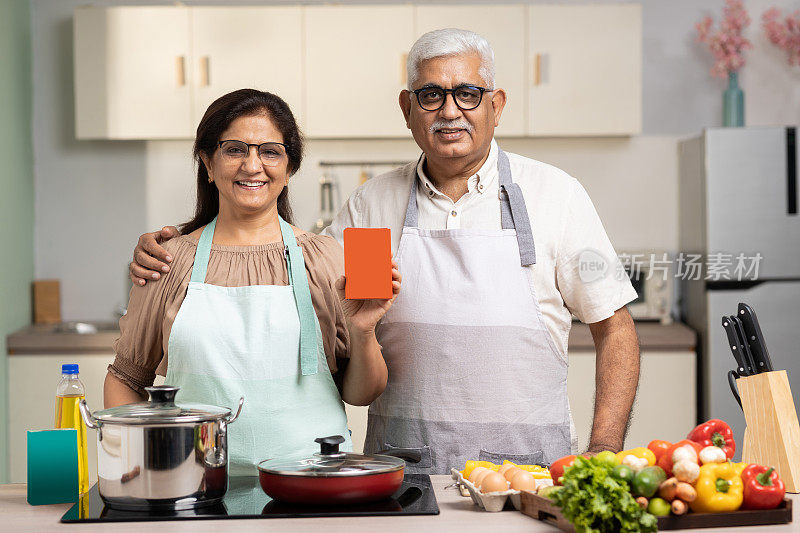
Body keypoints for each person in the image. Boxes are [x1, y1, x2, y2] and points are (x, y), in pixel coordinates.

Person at [129, 29, 640, 473]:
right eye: (431, 95)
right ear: (407, 108)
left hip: (532, 471)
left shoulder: (558, 195)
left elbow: (615, 328)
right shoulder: (370, 204)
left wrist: (603, 447)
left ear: (497, 104)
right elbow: (275, 264)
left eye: (467, 93)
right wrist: (182, 243)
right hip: (402, 471)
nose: (449, 111)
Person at [106, 89, 400, 475]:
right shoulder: (167, 261)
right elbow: (125, 379)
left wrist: (363, 332)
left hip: (313, 488)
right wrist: (146, 470)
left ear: (290, 168)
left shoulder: (329, 260)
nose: (252, 165)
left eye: (270, 151)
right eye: (234, 150)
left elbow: (362, 393)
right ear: (208, 164)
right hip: (196, 487)